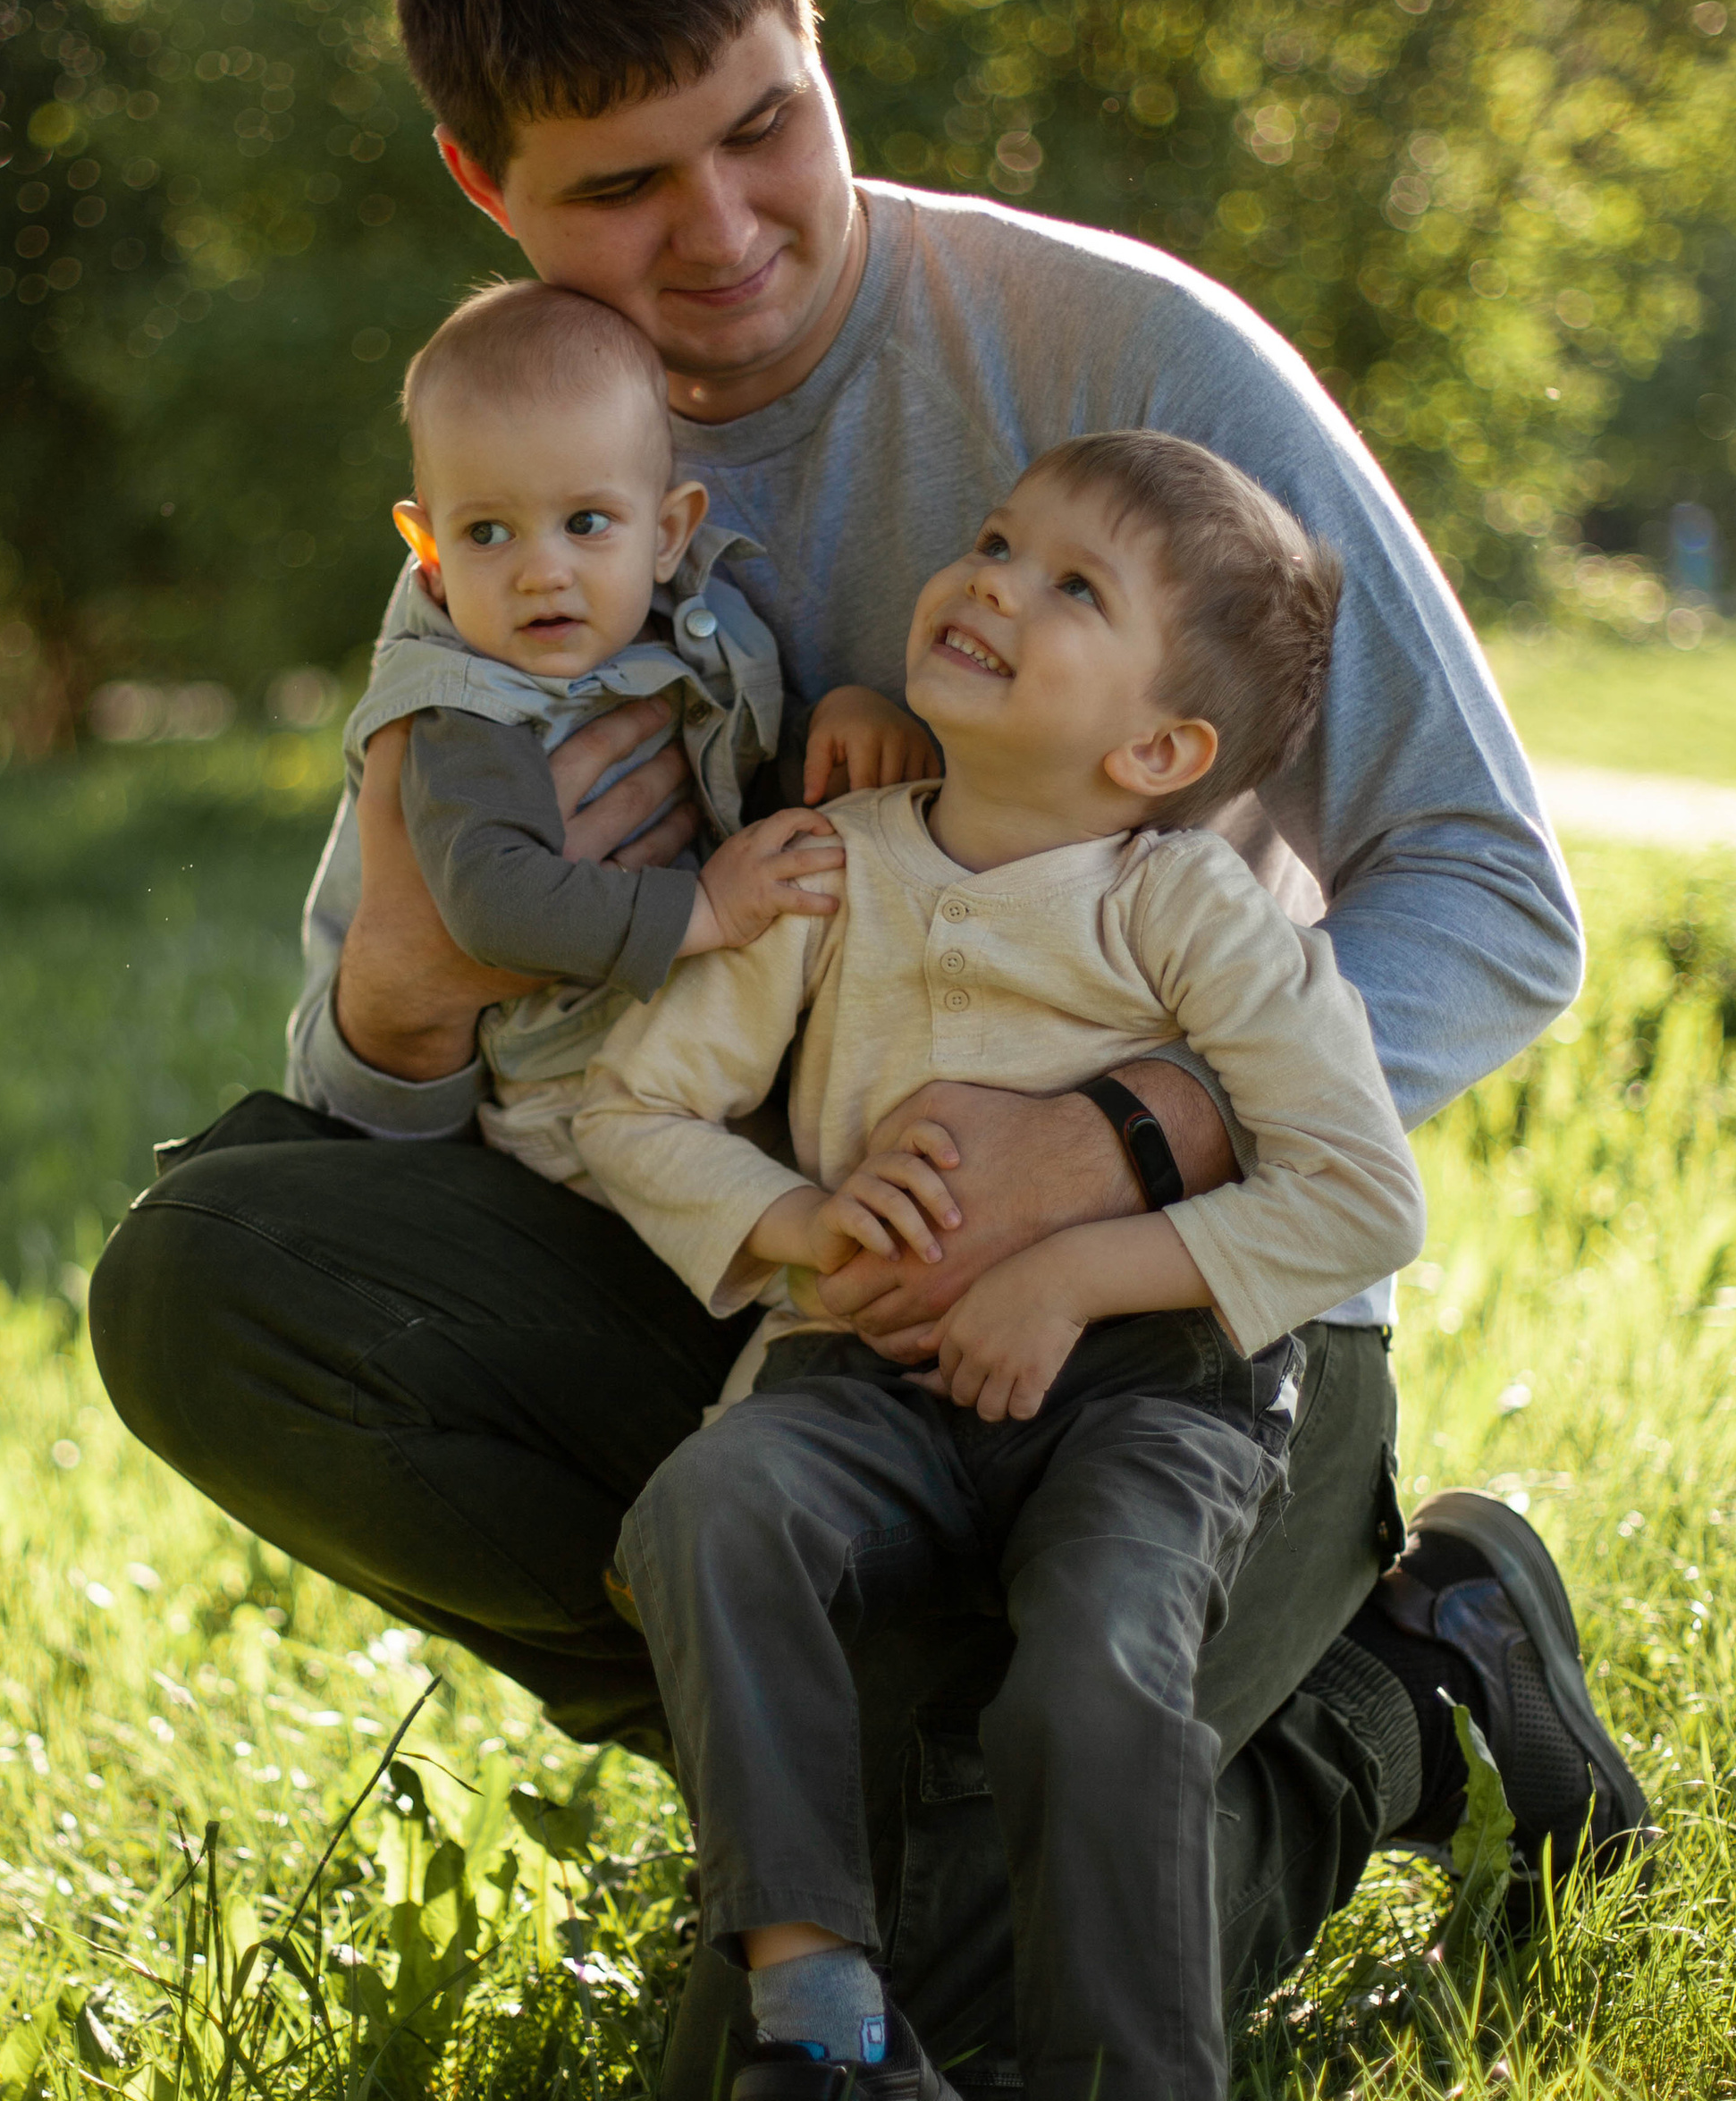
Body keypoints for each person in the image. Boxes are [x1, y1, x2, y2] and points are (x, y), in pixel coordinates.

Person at [87, 0, 1647, 2086]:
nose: (718, 233)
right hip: (794, 1311)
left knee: (961, 2015)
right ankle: (877, 1778)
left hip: (1177, 1337)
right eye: (619, 188)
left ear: (814, 44)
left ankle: (1397, 1692)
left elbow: (1492, 892)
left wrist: (1113, 1137)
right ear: (481, 187)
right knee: (208, 1276)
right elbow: (393, 1107)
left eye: (761, 126)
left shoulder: (1116, 356)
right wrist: (406, 999)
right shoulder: (530, 496)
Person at [583, 433, 1428, 2100]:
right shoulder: (839, 868)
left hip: (1147, 1396)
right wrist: (804, 1223)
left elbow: (1360, 1195)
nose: (990, 582)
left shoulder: (1184, 912)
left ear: (1162, 747)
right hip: (863, 1377)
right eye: (991, 539)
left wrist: (1077, 1276)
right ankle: (819, 2014)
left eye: (1072, 586)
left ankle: (1130, 2078)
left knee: (1094, 1681)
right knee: (709, 1507)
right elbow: (638, 1100)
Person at [342, 276, 933, 1192]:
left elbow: (737, 777)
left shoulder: (682, 626)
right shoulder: (466, 709)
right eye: (487, 532)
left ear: (666, 533)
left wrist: (836, 729)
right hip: (583, 1092)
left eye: (585, 523)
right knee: (762, 1244)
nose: (542, 571)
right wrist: (707, 911)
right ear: (429, 551)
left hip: (720, 1032)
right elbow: (493, 905)